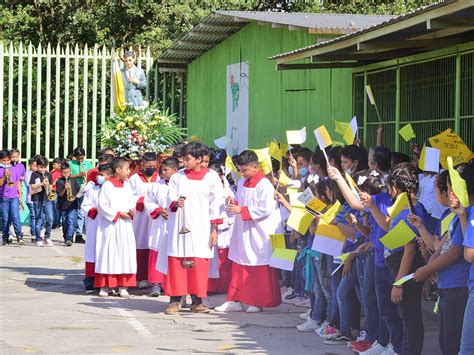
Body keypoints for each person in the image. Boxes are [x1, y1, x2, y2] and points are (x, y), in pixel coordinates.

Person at [408, 168, 470, 355]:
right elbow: (439, 247)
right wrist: (420, 227)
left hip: (458, 286)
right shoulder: (451, 216)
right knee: (446, 342)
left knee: (454, 344)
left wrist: (427, 270)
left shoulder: (464, 215)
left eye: (438, 190)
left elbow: (455, 252)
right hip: (447, 286)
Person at [216, 150, 283, 313]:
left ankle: (256, 301)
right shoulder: (241, 182)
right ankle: (235, 299)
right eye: (239, 169)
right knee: (238, 263)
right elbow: (241, 200)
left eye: (244, 170)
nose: (242, 173)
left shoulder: (264, 184)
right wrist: (234, 203)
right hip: (243, 229)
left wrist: (242, 209)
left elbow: (265, 209)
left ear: (255, 167)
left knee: (257, 265)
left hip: (259, 231)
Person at [163, 142, 223, 315]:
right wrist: (176, 202)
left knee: (199, 264)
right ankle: (175, 300)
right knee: (177, 262)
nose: (183, 162)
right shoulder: (177, 177)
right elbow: (170, 198)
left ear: (198, 160)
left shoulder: (211, 177)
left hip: (202, 227)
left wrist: (214, 229)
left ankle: (197, 301)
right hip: (180, 227)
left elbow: (216, 204)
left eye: (187, 159)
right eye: (183, 158)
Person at [94, 158, 139, 298]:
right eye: (127, 169)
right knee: (109, 252)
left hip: (125, 225)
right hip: (111, 225)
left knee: (124, 253)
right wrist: (118, 214)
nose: (129, 171)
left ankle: (123, 285)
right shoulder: (107, 186)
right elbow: (101, 206)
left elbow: (132, 201)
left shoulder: (127, 186)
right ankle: (105, 285)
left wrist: (132, 210)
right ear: (118, 170)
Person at [144, 157, 178, 297]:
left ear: (175, 171)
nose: (162, 172)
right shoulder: (155, 186)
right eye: (162, 169)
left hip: (174, 224)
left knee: (172, 252)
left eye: (166, 170)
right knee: (156, 251)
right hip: (159, 224)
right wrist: (158, 210)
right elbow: (148, 202)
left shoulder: (181, 185)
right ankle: (156, 284)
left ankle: (170, 284)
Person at [129, 152, 159, 287]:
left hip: (154, 217)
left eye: (154, 165)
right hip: (140, 217)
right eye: (148, 166)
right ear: (142, 164)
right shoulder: (134, 178)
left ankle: (151, 277)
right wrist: (142, 200)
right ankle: (138, 276)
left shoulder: (159, 177)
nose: (151, 168)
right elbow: (129, 195)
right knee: (139, 243)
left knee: (152, 244)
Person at [81, 163, 111, 291]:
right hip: (94, 223)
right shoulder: (92, 188)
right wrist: (95, 211)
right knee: (92, 249)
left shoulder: (112, 189)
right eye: (99, 174)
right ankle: (90, 277)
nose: (99, 177)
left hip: (107, 223)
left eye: (102, 175)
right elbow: (85, 205)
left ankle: (105, 280)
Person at [69, 147, 93, 243]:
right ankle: (70, 233)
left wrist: (86, 176)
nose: (80, 160)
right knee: (72, 212)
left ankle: (79, 234)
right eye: (78, 158)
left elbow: (92, 176)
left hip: (84, 189)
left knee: (81, 212)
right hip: (73, 189)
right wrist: (78, 175)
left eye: (82, 158)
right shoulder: (71, 164)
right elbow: (67, 176)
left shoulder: (88, 164)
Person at [0, 150, 24, 245]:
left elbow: (18, 182)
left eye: (7, 160)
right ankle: (5, 236)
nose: (6, 162)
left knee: (15, 216)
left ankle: (19, 236)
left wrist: (20, 196)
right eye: (3, 161)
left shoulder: (14, 169)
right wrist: (5, 176)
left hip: (14, 197)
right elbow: (1, 183)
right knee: (5, 218)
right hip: (3, 198)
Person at [30, 156, 54, 247]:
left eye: (44, 167)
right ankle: (38, 238)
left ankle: (47, 236)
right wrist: (41, 184)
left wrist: (48, 185)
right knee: (39, 219)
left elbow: (51, 188)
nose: (43, 169)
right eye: (41, 167)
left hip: (47, 199)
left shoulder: (48, 175)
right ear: (37, 166)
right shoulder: (34, 174)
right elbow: (32, 187)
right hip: (37, 199)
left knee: (50, 219)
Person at [55, 163, 80, 246]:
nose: (66, 174)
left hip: (73, 204)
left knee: (71, 221)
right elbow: (60, 194)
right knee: (65, 222)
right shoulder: (59, 182)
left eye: (67, 173)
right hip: (63, 205)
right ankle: (66, 237)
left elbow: (79, 191)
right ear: (61, 173)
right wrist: (65, 188)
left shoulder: (74, 181)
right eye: (64, 173)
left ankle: (69, 237)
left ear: (70, 172)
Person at [24, 157, 38, 241]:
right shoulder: (27, 174)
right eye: (34, 166)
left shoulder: (38, 173)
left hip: (39, 199)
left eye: (37, 166)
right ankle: (33, 234)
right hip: (31, 199)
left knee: (40, 217)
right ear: (30, 165)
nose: (36, 168)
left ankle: (37, 232)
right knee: (34, 216)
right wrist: (40, 186)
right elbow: (30, 187)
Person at [50, 158, 63, 229]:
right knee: (53, 207)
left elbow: (57, 181)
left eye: (54, 164)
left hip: (57, 191)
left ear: (59, 164)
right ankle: (54, 222)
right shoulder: (53, 171)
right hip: (52, 191)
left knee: (56, 207)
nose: (53, 165)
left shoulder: (61, 172)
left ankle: (58, 222)